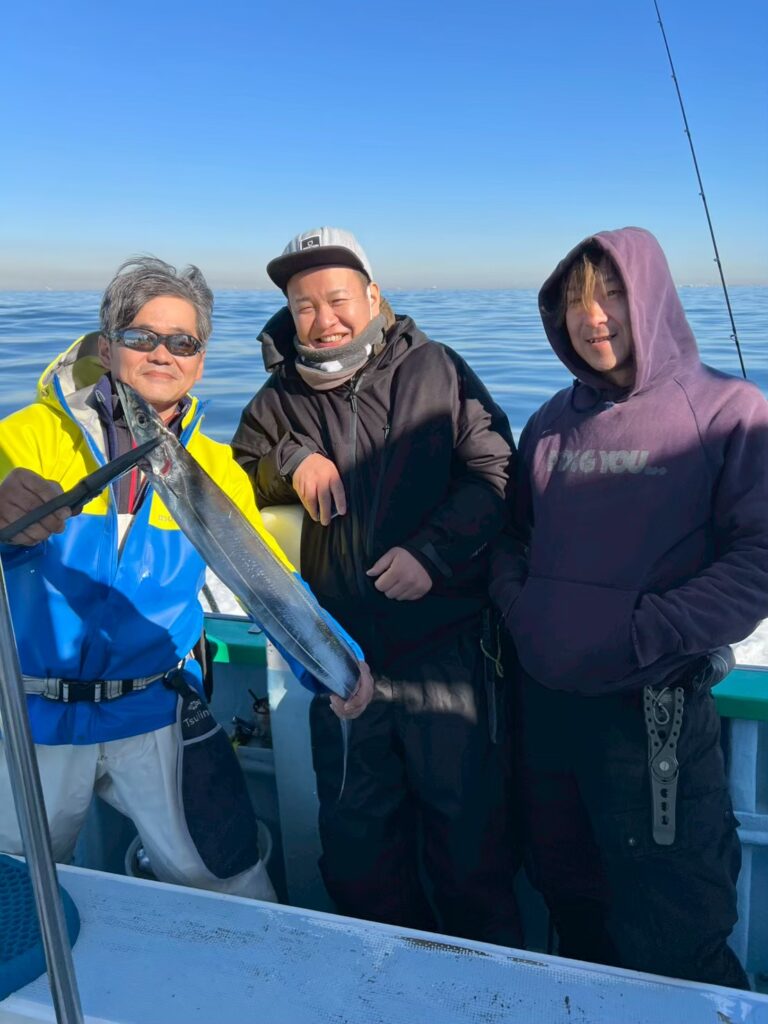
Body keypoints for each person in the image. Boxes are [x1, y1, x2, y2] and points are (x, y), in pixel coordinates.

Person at [0, 256, 371, 901]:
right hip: (30, 717)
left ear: (200, 361)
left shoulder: (213, 468)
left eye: (183, 342)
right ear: (108, 346)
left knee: (234, 885)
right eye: (141, 336)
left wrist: (336, 661)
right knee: (15, 889)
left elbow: (268, 582)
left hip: (156, 709)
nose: (162, 353)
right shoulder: (25, 439)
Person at [490, 226, 768, 987]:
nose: (594, 317)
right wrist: (525, 614)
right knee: (571, 900)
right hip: (548, 710)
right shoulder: (551, 420)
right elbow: (512, 539)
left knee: (674, 926)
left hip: (653, 714)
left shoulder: (731, 411)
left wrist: (645, 632)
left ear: (651, 298)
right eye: (576, 301)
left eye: (613, 293)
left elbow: (757, 560)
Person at [232, 226, 522, 946]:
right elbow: (239, 472)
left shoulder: (437, 370)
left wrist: (433, 554)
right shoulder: (276, 399)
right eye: (304, 306)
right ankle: (377, 980)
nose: (323, 319)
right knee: (358, 851)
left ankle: (483, 985)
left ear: (373, 297)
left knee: (469, 847)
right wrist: (290, 458)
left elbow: (497, 472)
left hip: (446, 656)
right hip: (340, 661)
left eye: (337, 299)